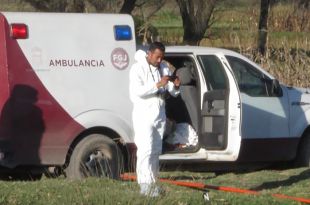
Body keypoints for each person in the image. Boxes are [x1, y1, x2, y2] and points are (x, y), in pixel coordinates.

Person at [129, 42, 180, 197]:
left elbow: (172, 91)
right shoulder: (137, 68)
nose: (159, 60)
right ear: (149, 54)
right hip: (143, 114)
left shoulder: (163, 67)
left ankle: (153, 182)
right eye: (157, 57)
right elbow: (138, 91)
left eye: (161, 58)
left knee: (156, 150)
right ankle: (144, 185)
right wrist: (158, 84)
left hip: (159, 114)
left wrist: (176, 86)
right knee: (145, 149)